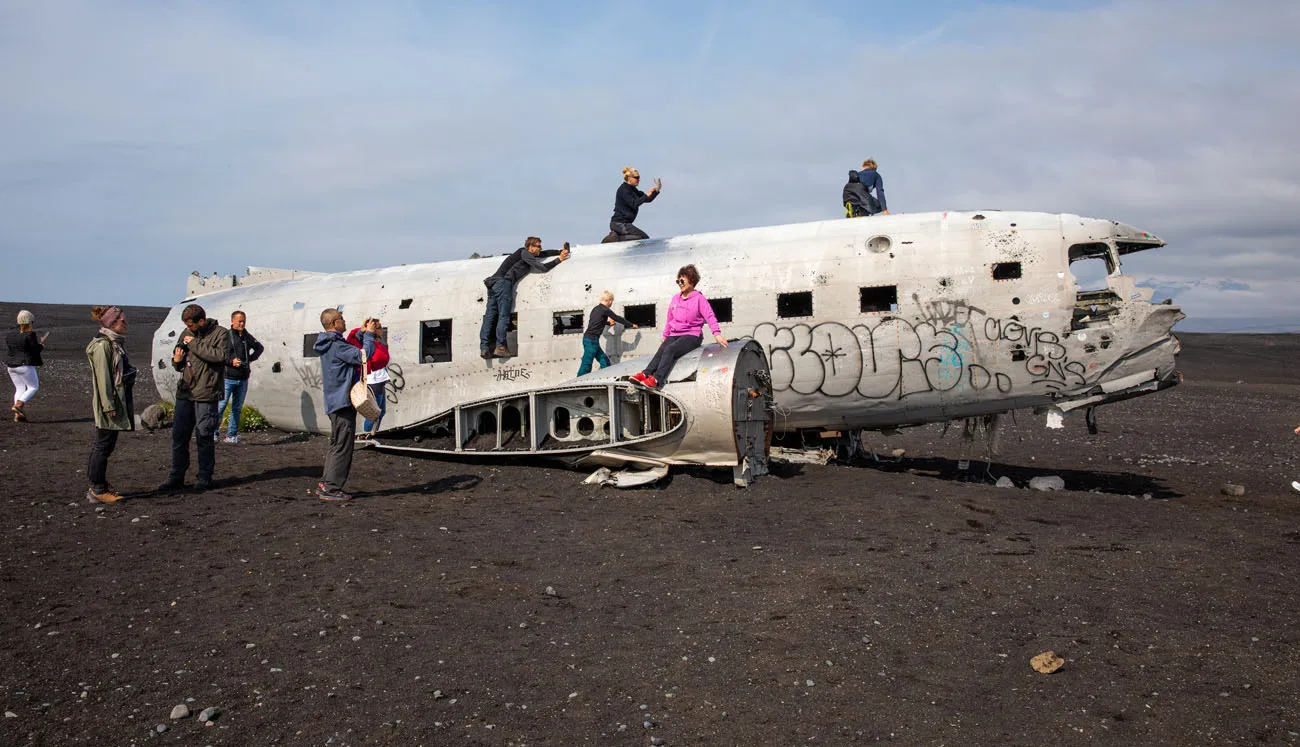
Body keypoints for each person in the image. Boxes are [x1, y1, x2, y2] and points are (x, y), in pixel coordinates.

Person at [159, 304, 230, 493]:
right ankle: (176, 476)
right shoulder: (186, 333)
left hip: (206, 393)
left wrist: (194, 344)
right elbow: (179, 363)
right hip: (186, 392)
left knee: (204, 436)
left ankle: (204, 477)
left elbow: (221, 356)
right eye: (186, 325)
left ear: (201, 321)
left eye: (191, 325)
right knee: (179, 436)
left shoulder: (221, 334)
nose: (188, 329)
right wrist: (176, 360)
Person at [630, 264, 728, 389]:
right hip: (675, 333)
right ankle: (645, 374)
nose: (680, 283)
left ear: (692, 281)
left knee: (670, 350)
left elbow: (710, 316)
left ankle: (656, 379)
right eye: (678, 281)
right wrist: (665, 335)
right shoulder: (676, 299)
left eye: (682, 280)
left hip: (692, 335)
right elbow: (670, 319)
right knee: (662, 349)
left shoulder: (699, 299)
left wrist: (717, 333)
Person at [314, 309, 375, 502]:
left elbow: (348, 349)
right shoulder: (336, 345)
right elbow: (363, 356)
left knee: (336, 444)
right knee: (343, 446)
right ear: (334, 323)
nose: (345, 321)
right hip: (342, 402)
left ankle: (327, 482)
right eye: (342, 319)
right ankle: (331, 489)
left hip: (334, 400)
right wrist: (370, 335)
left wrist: (361, 333)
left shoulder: (329, 342)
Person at [480, 237, 571, 359]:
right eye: (538, 246)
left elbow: (544, 253)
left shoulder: (524, 254)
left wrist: (560, 250)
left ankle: (484, 347)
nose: (540, 249)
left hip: (493, 283)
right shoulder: (525, 253)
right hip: (503, 283)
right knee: (503, 316)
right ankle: (500, 346)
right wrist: (559, 259)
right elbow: (543, 268)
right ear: (531, 247)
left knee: (490, 316)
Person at [85, 306, 136, 503]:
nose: (126, 323)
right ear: (112, 323)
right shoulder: (103, 345)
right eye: (123, 320)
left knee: (105, 444)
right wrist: (108, 405)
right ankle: (97, 488)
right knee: (103, 445)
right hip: (109, 404)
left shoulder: (112, 343)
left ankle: (98, 485)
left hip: (113, 401)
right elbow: (103, 378)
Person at [216, 310, 264, 444]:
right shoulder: (226, 336)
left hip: (243, 377)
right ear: (232, 321)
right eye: (239, 321)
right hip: (228, 377)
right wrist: (231, 361)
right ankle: (213, 433)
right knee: (221, 406)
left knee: (237, 408)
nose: (242, 324)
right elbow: (219, 354)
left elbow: (259, 347)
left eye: (243, 321)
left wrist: (250, 359)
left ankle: (231, 435)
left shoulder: (246, 336)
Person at [577, 291, 638, 376]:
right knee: (587, 363)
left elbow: (596, 322)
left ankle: (606, 376)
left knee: (604, 361)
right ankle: (579, 382)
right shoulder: (605, 309)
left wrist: (608, 323)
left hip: (590, 339)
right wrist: (631, 325)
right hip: (591, 340)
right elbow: (617, 318)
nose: (611, 304)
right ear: (609, 300)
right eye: (612, 301)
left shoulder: (595, 309)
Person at [348, 318, 390, 436]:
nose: (382, 330)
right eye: (379, 328)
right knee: (373, 412)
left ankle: (372, 433)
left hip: (380, 380)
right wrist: (365, 331)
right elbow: (356, 339)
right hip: (373, 381)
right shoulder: (369, 342)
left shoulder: (378, 342)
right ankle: (366, 434)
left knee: (381, 412)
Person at [6, 309, 47, 422]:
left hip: (11, 365)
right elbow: (35, 350)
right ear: (29, 322)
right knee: (33, 387)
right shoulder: (30, 334)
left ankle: (17, 415)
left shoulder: (10, 333)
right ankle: (19, 405)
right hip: (24, 365)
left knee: (19, 388)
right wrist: (42, 344)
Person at [604, 166, 662, 242]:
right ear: (629, 178)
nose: (639, 179)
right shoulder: (624, 189)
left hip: (624, 224)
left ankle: (616, 235)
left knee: (643, 238)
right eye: (636, 177)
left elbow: (647, 199)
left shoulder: (633, 189)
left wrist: (657, 190)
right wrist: (646, 195)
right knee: (643, 238)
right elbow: (634, 203)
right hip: (619, 224)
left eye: (639, 177)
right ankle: (615, 238)